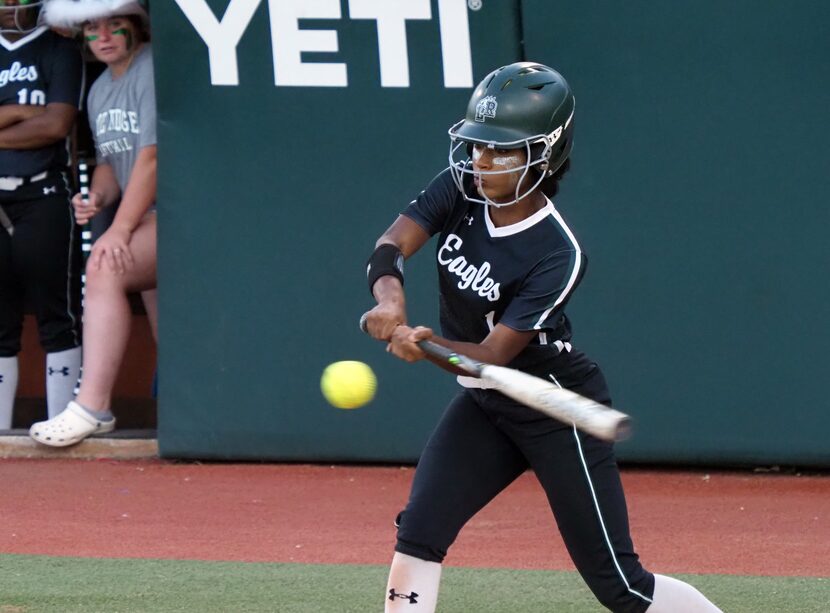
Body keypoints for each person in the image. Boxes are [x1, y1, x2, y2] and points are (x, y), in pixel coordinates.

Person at [362, 62, 723, 613]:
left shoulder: (558, 251)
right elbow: (391, 245)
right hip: (487, 403)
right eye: (478, 145)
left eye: (500, 151)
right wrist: (391, 302)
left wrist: (424, 343)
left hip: (553, 407)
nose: (481, 161)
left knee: (621, 586)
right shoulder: (461, 188)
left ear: (544, 155)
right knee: (420, 530)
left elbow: (491, 355)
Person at [29, 0, 155, 446]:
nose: (102, 36)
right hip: (145, 218)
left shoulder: (151, 70)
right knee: (168, 331)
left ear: (135, 28)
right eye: (92, 28)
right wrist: (98, 195)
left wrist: (119, 229)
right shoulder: (101, 87)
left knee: (104, 264)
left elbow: (151, 158)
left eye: (114, 26)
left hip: (177, 214)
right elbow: (108, 161)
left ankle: (93, 406)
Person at [0, 0, 84, 430]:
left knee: (59, 318)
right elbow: (41, 118)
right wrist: (18, 112)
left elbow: (55, 125)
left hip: (44, 192)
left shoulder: (59, 49)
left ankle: (63, 424)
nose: (11, 6)